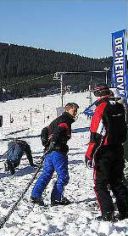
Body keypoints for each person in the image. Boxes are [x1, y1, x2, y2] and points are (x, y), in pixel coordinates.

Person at [85, 84, 128, 221]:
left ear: (98, 94)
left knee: (100, 184)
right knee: (117, 181)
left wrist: (89, 154)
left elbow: (96, 133)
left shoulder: (101, 107)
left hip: (104, 150)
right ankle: (125, 210)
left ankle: (107, 213)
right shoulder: (119, 106)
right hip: (118, 148)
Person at [31, 102, 79, 206]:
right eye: (74, 110)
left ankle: (35, 195)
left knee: (46, 174)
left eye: (76, 111)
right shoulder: (65, 120)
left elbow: (45, 129)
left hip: (49, 152)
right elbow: (58, 131)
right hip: (58, 151)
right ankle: (56, 198)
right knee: (63, 176)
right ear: (67, 110)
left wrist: (45, 141)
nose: (75, 113)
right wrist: (53, 142)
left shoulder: (56, 120)